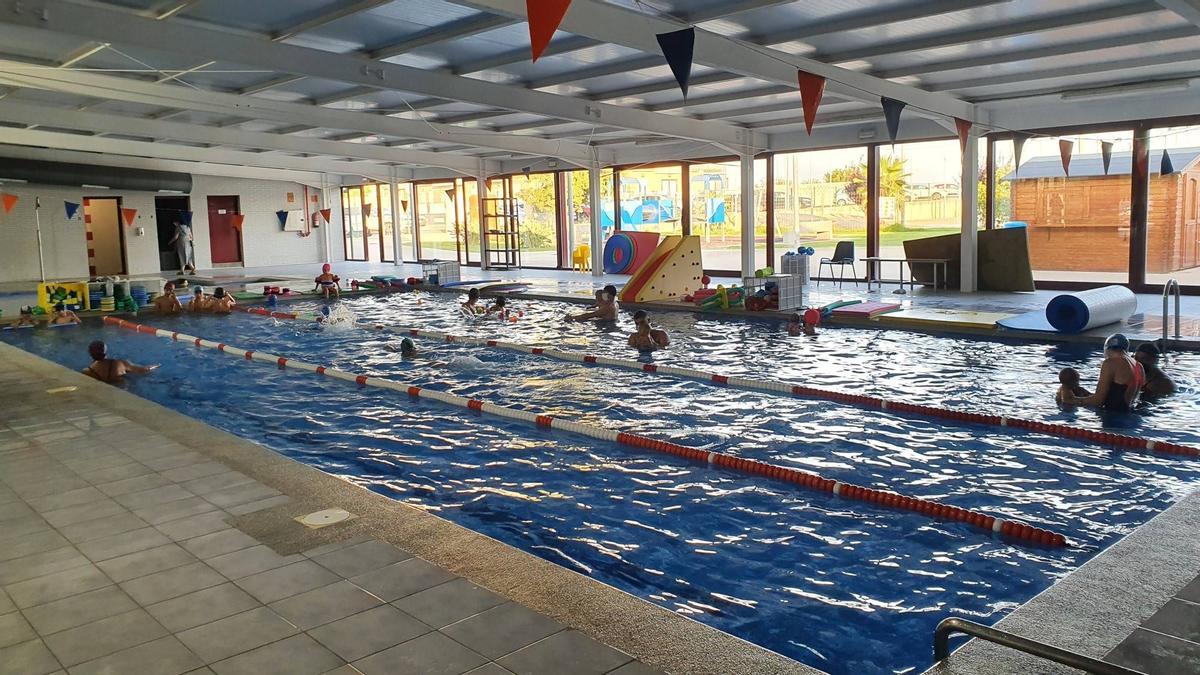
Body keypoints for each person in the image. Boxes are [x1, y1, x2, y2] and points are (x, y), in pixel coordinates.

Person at [1064, 334, 1145, 412]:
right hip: (1129, 416)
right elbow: (1118, 396)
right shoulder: (1139, 366)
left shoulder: (1110, 363)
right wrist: (1086, 394)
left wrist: (1071, 400)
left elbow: (1098, 401)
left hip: (1112, 419)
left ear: (1106, 349)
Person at [82, 341, 157, 384]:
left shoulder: (87, 372)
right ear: (105, 352)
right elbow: (144, 370)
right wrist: (156, 366)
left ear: (90, 353)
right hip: (123, 389)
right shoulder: (120, 364)